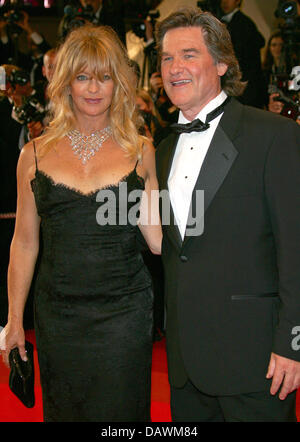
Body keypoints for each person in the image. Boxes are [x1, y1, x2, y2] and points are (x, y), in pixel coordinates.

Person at [0, 24, 161, 422]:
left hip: (124, 317)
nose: (93, 88)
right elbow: (23, 243)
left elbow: (158, 240)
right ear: (65, 82)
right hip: (59, 319)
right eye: (83, 77)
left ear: (119, 83)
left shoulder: (140, 150)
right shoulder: (33, 155)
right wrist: (14, 321)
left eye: (105, 77)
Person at [155, 7, 300, 422]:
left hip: (257, 363)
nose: (174, 68)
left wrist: (293, 343)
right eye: (166, 58)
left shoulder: (273, 135)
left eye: (188, 54)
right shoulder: (162, 151)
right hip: (185, 369)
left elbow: (295, 248)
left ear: (221, 62)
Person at [220, 0, 267, 108]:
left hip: (245, 85)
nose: (225, 2)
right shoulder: (223, 21)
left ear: (238, 1)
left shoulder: (244, 23)